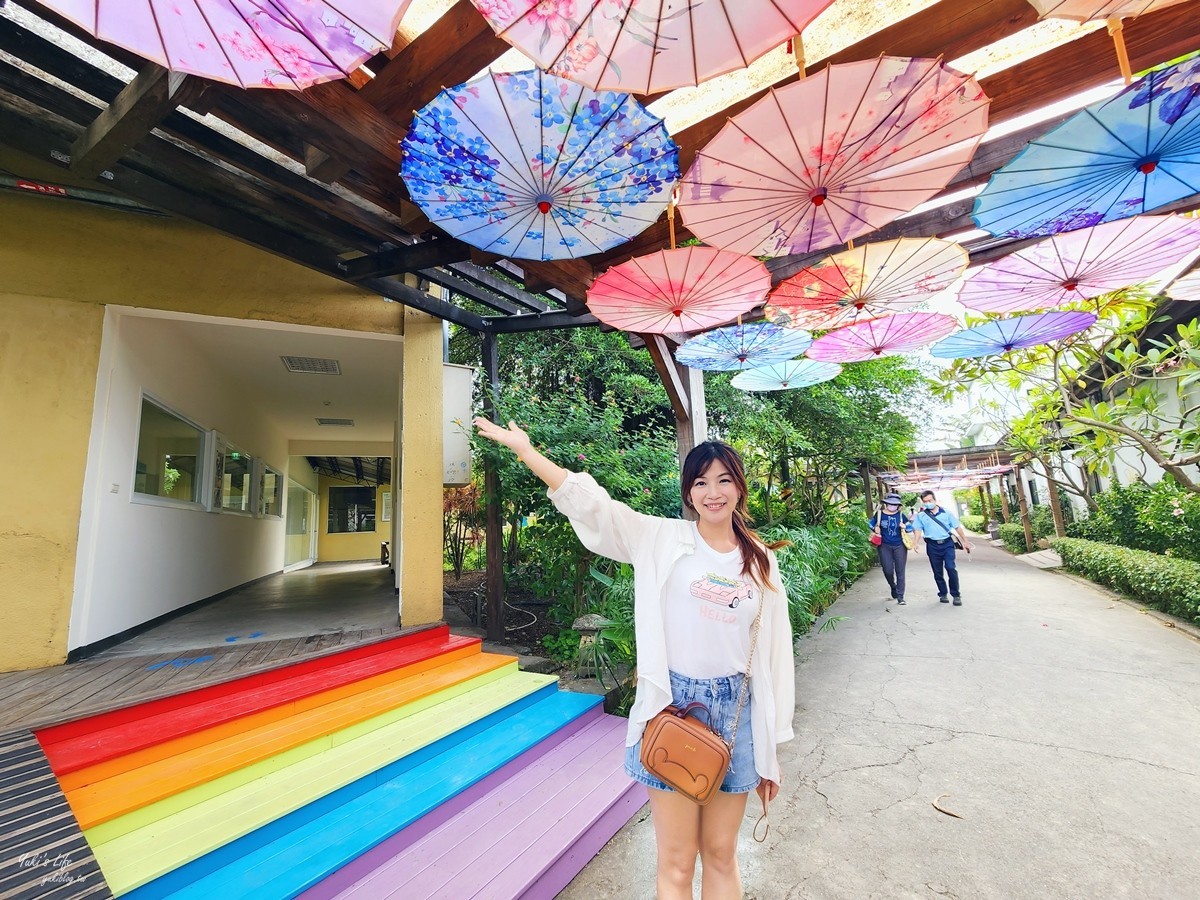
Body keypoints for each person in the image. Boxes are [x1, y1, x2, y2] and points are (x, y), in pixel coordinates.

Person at [474, 416, 795, 900]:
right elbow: (595, 508)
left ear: (739, 487)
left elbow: (774, 657)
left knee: (723, 856)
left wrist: (772, 749)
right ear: (689, 493)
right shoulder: (661, 538)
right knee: (675, 861)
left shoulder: (760, 562)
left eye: (724, 480)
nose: (713, 492)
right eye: (701, 482)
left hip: (738, 713)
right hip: (674, 708)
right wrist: (526, 450)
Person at [912, 489, 973, 606]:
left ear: (935, 500)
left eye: (930, 500)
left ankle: (956, 595)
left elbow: (957, 527)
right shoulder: (921, 516)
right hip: (932, 546)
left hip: (947, 544)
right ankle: (943, 593)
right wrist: (916, 542)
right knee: (937, 572)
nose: (928, 503)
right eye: (925, 501)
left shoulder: (946, 513)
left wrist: (965, 541)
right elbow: (918, 529)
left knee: (951, 568)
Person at [868, 492, 913, 605]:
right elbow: (870, 524)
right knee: (887, 570)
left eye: (895, 505)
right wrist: (875, 528)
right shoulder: (879, 514)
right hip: (884, 545)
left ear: (898, 506)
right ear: (886, 504)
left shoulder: (901, 515)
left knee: (900, 571)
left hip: (900, 545)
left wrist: (905, 526)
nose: (893, 506)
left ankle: (900, 596)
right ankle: (893, 586)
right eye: (890, 504)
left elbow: (910, 527)